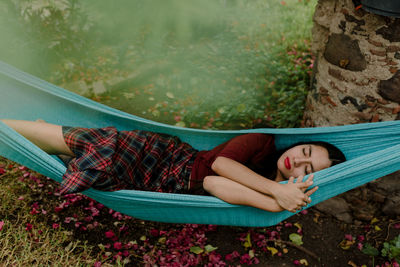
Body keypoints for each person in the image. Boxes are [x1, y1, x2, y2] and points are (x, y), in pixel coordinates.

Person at [0, 119, 346, 213]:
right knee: (101, 145)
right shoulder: (262, 142)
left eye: (305, 169)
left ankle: (41, 133)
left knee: (101, 172)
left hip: (157, 187)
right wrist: (275, 192)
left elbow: (213, 187)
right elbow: (220, 167)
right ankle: (15, 127)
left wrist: (274, 203)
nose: (298, 160)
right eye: (307, 149)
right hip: (167, 158)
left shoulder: (275, 191)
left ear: (308, 181)